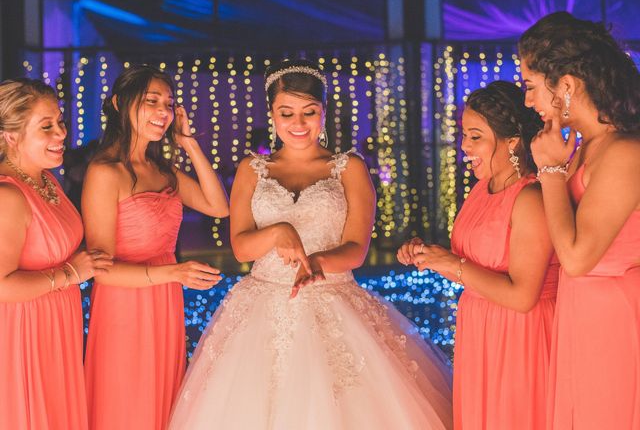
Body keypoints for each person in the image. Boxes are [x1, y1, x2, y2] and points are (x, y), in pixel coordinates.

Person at [169, 59, 453, 430]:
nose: (298, 124)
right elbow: (240, 248)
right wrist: (277, 232)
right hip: (262, 305)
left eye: (309, 112)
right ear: (272, 114)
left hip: (332, 297)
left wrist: (317, 261)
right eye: (287, 113)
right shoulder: (252, 169)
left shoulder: (348, 167)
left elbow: (356, 248)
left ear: (322, 113)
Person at [398, 81, 557, 429]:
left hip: (520, 337)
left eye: (475, 137)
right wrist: (428, 255)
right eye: (464, 135)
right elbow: (472, 267)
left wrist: (451, 264)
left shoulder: (530, 199)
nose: (464, 146)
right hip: (479, 331)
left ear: (512, 141)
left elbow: (522, 296)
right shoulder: (482, 190)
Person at [82, 65, 229, 430]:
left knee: (163, 406)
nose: (163, 112)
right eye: (152, 102)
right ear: (119, 104)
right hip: (123, 304)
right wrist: (175, 272)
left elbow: (219, 206)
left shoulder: (162, 170)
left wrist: (189, 143)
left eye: (168, 103)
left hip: (164, 300)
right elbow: (101, 268)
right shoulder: (105, 172)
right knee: (127, 406)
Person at [519, 11, 640, 429]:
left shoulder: (622, 152)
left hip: (617, 319)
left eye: (531, 87)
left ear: (566, 85)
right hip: (582, 313)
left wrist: (551, 172)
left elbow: (576, 258)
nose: (528, 101)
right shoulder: (583, 149)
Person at [0, 78, 111, 429]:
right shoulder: (8, 196)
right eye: (46, 127)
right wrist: (71, 275)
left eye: (60, 121)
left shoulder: (47, 181)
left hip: (57, 321)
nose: (62, 133)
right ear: (11, 136)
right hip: (22, 333)